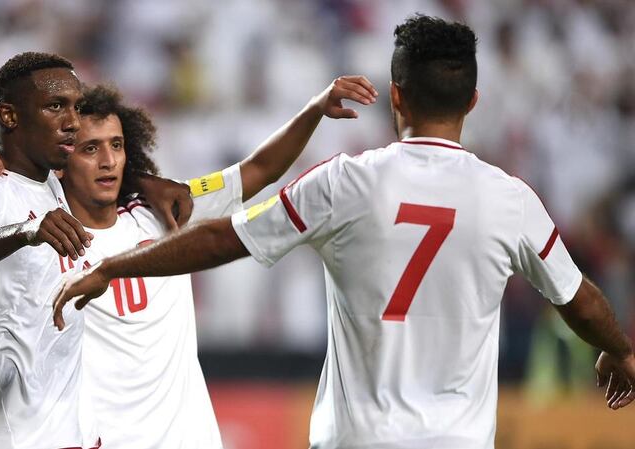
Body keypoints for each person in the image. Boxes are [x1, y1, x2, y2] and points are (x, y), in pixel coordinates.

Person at [53, 15, 635, 449]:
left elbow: (223, 237)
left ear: (396, 95)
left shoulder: (344, 183)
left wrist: (116, 264)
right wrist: (619, 349)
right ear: (474, 101)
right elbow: (578, 300)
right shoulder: (511, 199)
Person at [60, 79, 375, 449]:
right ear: (60, 161)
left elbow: (258, 171)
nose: (108, 161)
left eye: (117, 145)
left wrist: (314, 110)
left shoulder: (167, 210)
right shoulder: (45, 239)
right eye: (90, 149)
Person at [0, 52, 190, 449]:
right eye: (55, 106)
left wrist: (147, 183)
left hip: (66, 428)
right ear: (10, 116)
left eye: (76, 107)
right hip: (1, 434)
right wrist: (22, 231)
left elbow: (104, 177)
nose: (72, 122)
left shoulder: (51, 185)